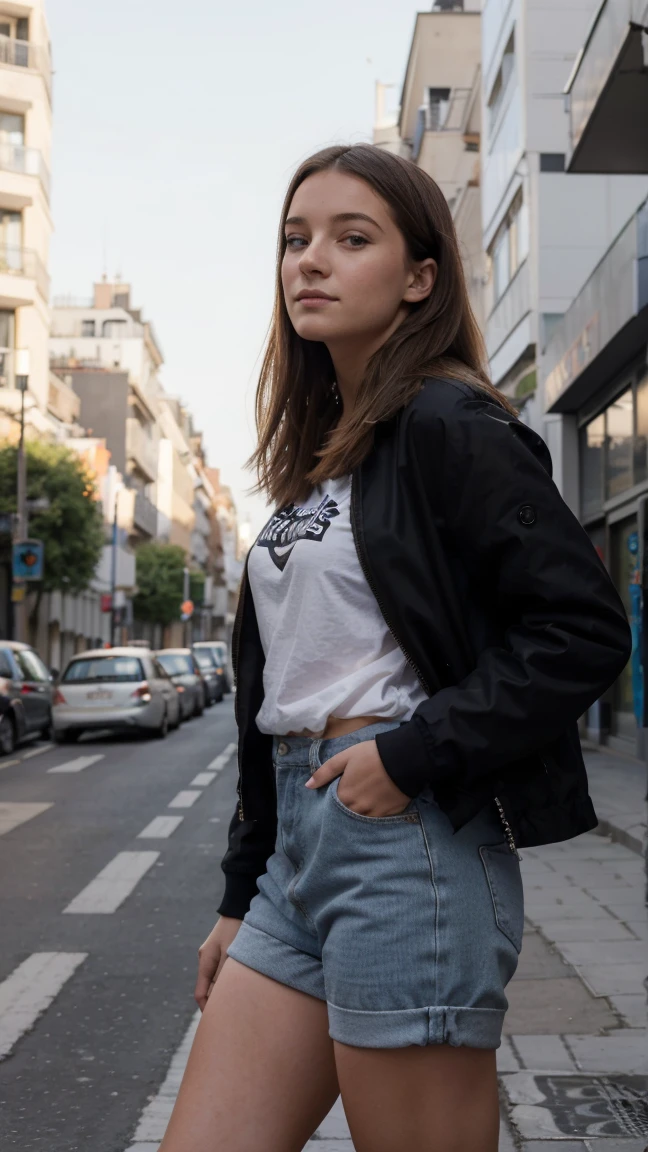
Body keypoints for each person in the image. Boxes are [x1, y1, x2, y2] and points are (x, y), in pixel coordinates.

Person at [159, 145, 631, 1152]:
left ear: (421, 278)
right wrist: (243, 893)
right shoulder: (316, 462)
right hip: (300, 852)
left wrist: (413, 753)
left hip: (405, 845)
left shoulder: (449, 425)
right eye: (295, 240)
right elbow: (269, 693)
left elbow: (582, 627)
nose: (309, 261)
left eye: (350, 238)